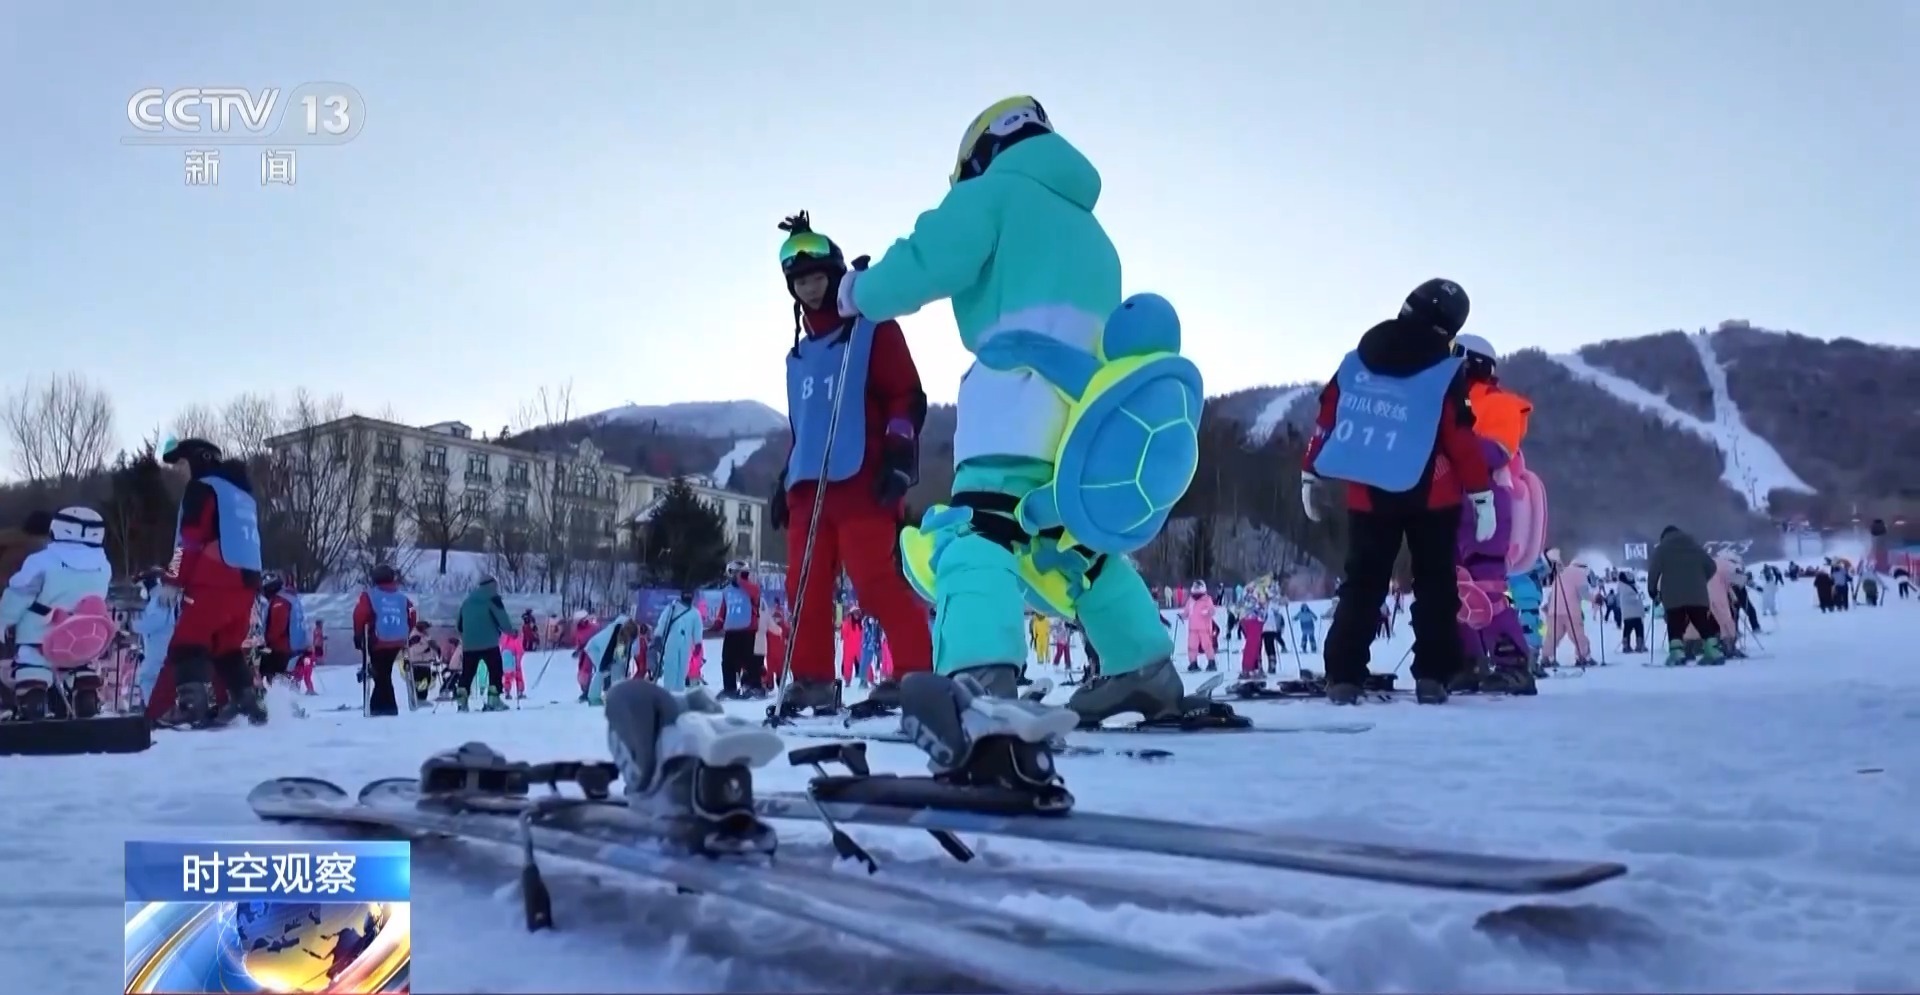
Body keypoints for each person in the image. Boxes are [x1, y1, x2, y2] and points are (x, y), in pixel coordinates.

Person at [1300, 280, 1494, 705]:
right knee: (1435, 584)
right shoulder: (1444, 372)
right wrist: (1482, 492)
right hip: (1433, 492)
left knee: (1363, 583)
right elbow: (1459, 435)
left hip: (1369, 489)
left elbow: (1328, 414)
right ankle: (1434, 675)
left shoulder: (1357, 362)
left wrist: (1310, 470)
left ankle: (1344, 676)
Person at [769, 213, 933, 714]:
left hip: (863, 479)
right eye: (800, 283)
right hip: (808, 490)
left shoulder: (871, 329)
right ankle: (813, 679)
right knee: (805, 588)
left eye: (818, 278)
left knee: (874, 579)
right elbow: (807, 427)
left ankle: (914, 673)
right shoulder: (800, 353)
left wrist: (900, 453)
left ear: (837, 275)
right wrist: (784, 478)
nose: (811, 290)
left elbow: (906, 394)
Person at [146, 438, 267, 727]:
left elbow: (188, 540)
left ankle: (188, 707)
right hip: (248, 580)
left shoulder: (203, 488)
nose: (182, 471)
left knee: (187, 643)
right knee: (226, 647)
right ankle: (247, 701)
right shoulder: (242, 494)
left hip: (215, 576)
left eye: (183, 463)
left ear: (200, 459)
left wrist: (173, 579)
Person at [0, 507, 113, 719]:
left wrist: (4, 620)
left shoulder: (42, 561)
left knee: (33, 666)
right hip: (84, 634)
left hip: (40, 634)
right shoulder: (103, 565)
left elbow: (19, 594)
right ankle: (85, 693)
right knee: (79, 665)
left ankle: (33, 700)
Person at [1647, 525, 1724, 666]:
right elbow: (1711, 566)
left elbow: (1654, 570)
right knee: (1702, 623)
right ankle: (1713, 652)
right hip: (1697, 594)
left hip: (1673, 595)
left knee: (1675, 624)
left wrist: (1652, 590)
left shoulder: (1662, 548)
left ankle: (1677, 655)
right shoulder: (1694, 546)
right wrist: (1701, 580)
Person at [352, 564, 415, 715]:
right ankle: (380, 705)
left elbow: (360, 615)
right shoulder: (402, 598)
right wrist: (406, 631)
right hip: (398, 639)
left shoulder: (369, 595)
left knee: (381, 673)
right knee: (383, 671)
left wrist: (358, 635)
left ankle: (386, 707)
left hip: (378, 639)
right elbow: (412, 615)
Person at [456, 576, 514, 712]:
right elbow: (502, 619)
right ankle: (494, 700)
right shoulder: (493, 599)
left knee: (467, 673)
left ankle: (462, 701)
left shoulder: (467, 601)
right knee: (495, 671)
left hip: (469, 644)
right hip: (489, 643)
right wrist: (511, 631)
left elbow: (459, 624)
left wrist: (466, 636)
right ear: (492, 585)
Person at [713, 561, 766, 701]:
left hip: (749, 630)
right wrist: (718, 623)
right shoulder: (727, 591)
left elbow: (755, 595)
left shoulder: (752, 588)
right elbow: (724, 610)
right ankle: (729, 688)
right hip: (731, 631)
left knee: (752, 661)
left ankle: (756, 687)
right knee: (728, 661)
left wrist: (741, 581)